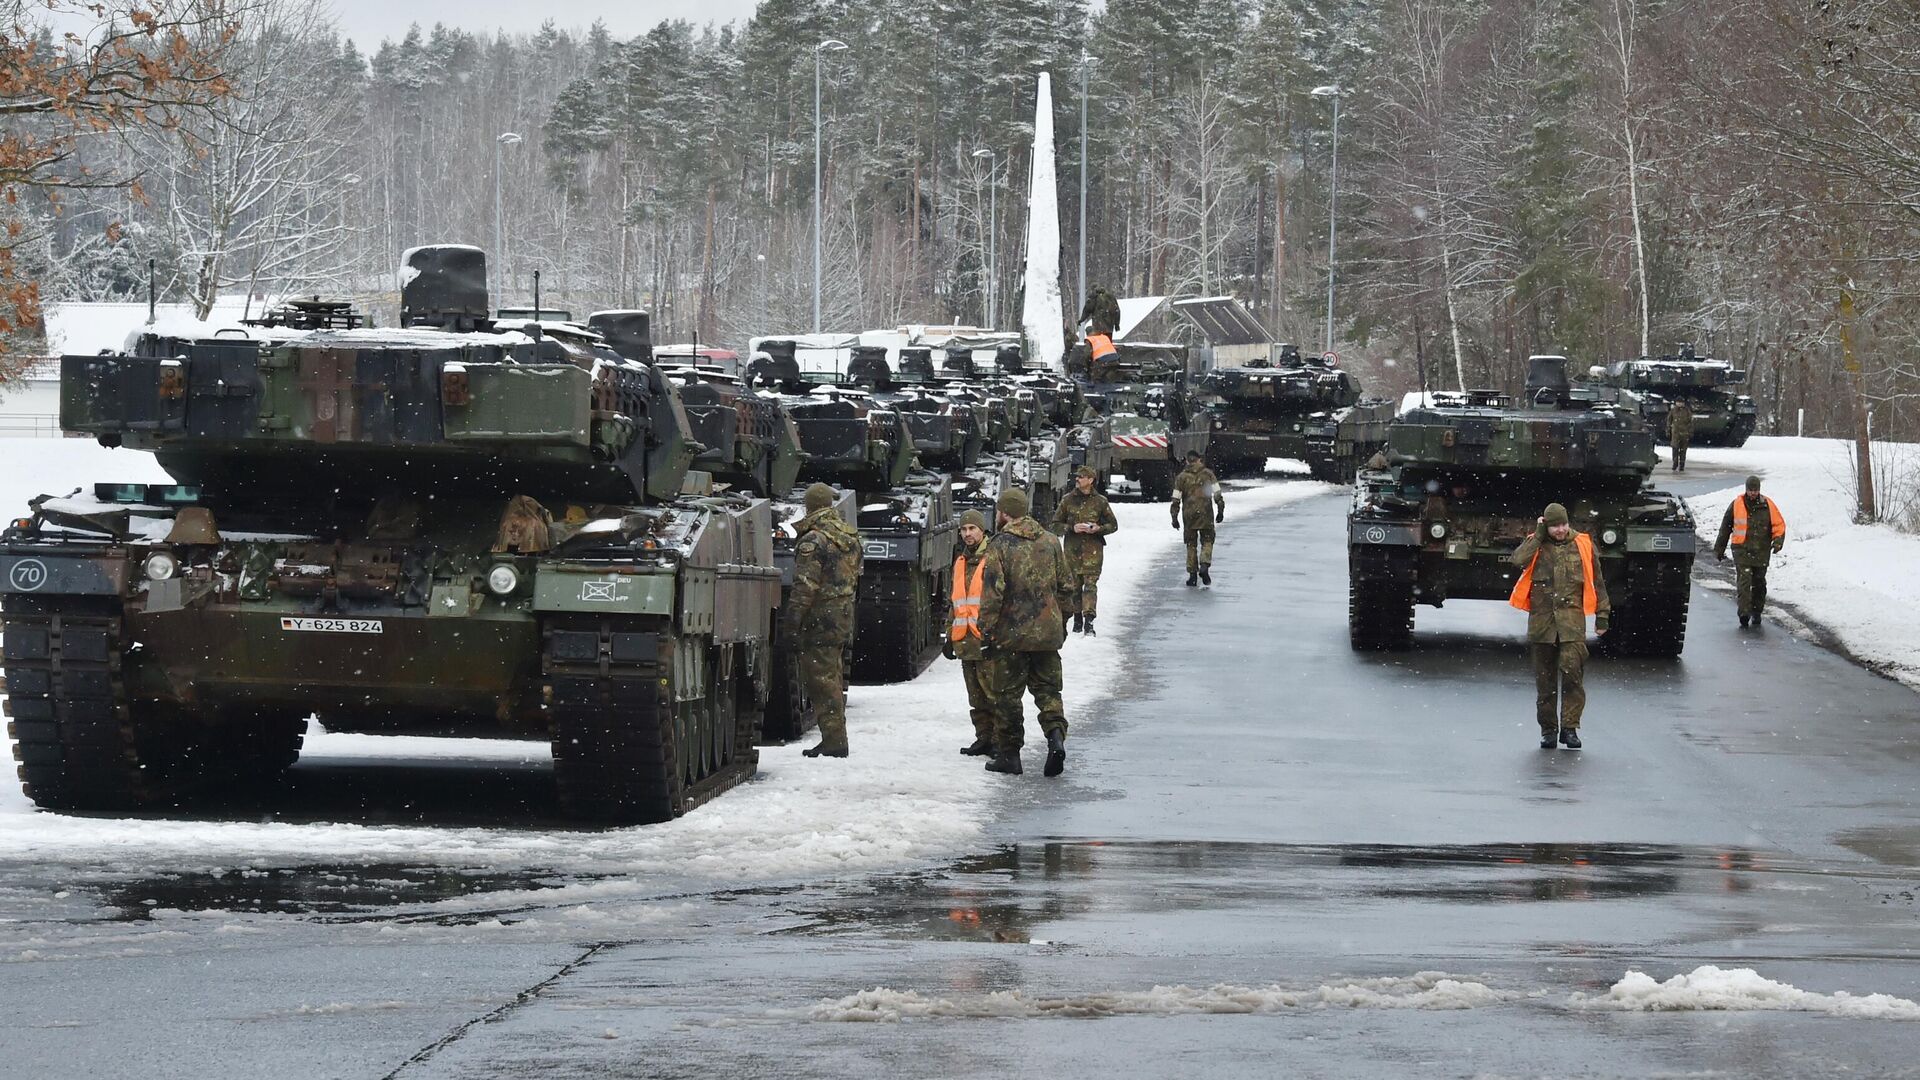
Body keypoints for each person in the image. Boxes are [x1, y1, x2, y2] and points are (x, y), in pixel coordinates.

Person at [978, 488, 1074, 777]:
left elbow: (993, 593)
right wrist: (1061, 622)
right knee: (1048, 690)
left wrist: (986, 630)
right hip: (1047, 633)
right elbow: (1067, 586)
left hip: (1012, 635)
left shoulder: (1000, 545)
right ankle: (1055, 736)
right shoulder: (1050, 541)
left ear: (1005, 513)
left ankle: (1010, 756)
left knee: (1007, 695)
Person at [1508, 502, 1610, 750]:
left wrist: (1603, 614)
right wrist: (1539, 535)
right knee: (1546, 682)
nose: (1561, 530)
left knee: (1573, 675)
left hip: (1572, 624)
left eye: (1563, 524)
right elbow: (1517, 560)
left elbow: (1597, 581)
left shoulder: (1583, 545)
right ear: (1547, 526)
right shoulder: (1536, 543)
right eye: (1555, 526)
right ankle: (1548, 730)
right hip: (1543, 625)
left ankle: (1570, 728)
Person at [785, 483, 863, 758]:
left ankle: (834, 741)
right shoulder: (848, 536)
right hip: (842, 614)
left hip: (819, 618)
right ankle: (834, 737)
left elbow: (805, 586)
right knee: (833, 675)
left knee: (822, 680)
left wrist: (792, 622)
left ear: (810, 506)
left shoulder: (813, 540)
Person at [943, 509, 995, 756]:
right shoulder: (961, 561)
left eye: (972, 529)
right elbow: (956, 601)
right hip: (965, 640)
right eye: (963, 530)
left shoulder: (993, 558)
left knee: (993, 694)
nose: (967, 534)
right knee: (976, 697)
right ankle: (984, 738)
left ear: (982, 530)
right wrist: (948, 636)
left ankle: (1000, 741)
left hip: (986, 640)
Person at [1051, 465, 1118, 634]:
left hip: (1092, 551)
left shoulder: (1100, 501)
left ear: (1091, 480)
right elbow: (1055, 525)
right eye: (1077, 477)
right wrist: (1072, 528)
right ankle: (1077, 619)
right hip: (1072, 551)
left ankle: (1089, 620)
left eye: (1081, 477)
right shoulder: (1067, 500)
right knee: (1073, 587)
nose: (1078, 480)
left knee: (1090, 586)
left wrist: (1098, 528)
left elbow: (1113, 525)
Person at [1714, 474, 1786, 627]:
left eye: (1755, 490)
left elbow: (1779, 525)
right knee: (1744, 582)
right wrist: (1719, 549)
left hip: (1761, 551)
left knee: (1759, 583)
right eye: (1750, 490)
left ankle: (1757, 611)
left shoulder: (1768, 505)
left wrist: (1778, 542)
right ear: (1746, 490)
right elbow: (1725, 528)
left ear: (1759, 490)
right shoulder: (1737, 504)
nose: (1753, 493)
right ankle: (1744, 614)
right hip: (1742, 550)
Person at [1170, 450, 1225, 586]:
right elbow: (1217, 493)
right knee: (1207, 541)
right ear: (1199, 460)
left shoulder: (1181, 477)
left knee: (1191, 544)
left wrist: (1174, 517)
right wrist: (1220, 509)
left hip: (1189, 516)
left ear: (1187, 461)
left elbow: (1175, 499)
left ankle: (1192, 575)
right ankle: (1204, 564)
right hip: (1206, 514)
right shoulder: (1208, 474)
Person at [1667, 401, 1694, 472]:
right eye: (1678, 402)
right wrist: (1668, 431)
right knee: (1675, 449)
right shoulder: (1673, 411)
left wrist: (1690, 432)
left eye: (1681, 402)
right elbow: (1669, 421)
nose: (1680, 404)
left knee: (1683, 451)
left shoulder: (1687, 411)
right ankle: (1675, 464)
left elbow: (1690, 422)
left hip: (1685, 433)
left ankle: (1682, 465)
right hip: (1675, 434)